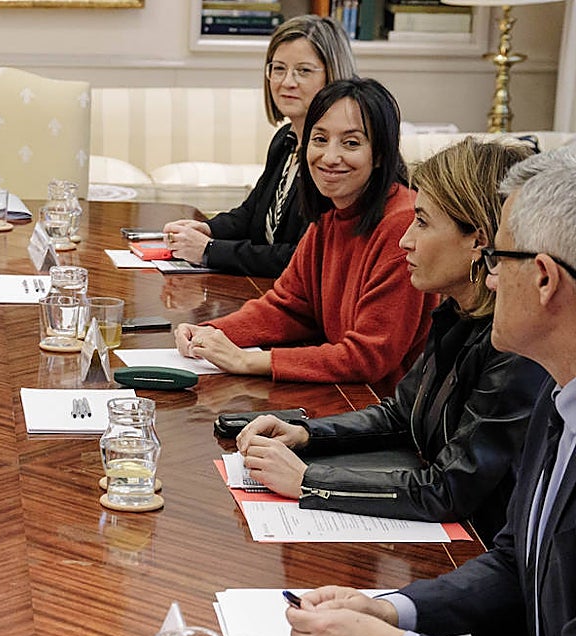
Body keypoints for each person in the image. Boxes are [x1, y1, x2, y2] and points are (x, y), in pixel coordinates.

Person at [286, 146, 576, 636]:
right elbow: (513, 562)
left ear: (544, 277)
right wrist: (391, 610)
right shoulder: (559, 394)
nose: (490, 276)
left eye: (499, 259)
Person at [236, 138, 547, 544]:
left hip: (476, 554)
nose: (406, 241)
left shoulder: (516, 349)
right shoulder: (457, 310)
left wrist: (310, 481)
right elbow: (403, 414)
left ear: (478, 239)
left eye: (422, 222)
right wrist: (306, 434)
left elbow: (449, 489)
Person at [175, 78, 435, 394]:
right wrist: (212, 332)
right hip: (343, 392)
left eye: (351, 143)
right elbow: (290, 306)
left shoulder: (403, 225)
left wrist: (246, 361)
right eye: (319, 139)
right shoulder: (330, 214)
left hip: (383, 408)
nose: (329, 156)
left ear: (380, 154)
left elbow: (368, 357)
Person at [163, 16, 355, 278]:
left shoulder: (333, 160)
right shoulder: (285, 140)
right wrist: (207, 230)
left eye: (304, 70)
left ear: (332, 75)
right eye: (278, 69)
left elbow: (301, 256)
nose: (287, 81)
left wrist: (209, 250)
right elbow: (251, 213)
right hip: (264, 291)